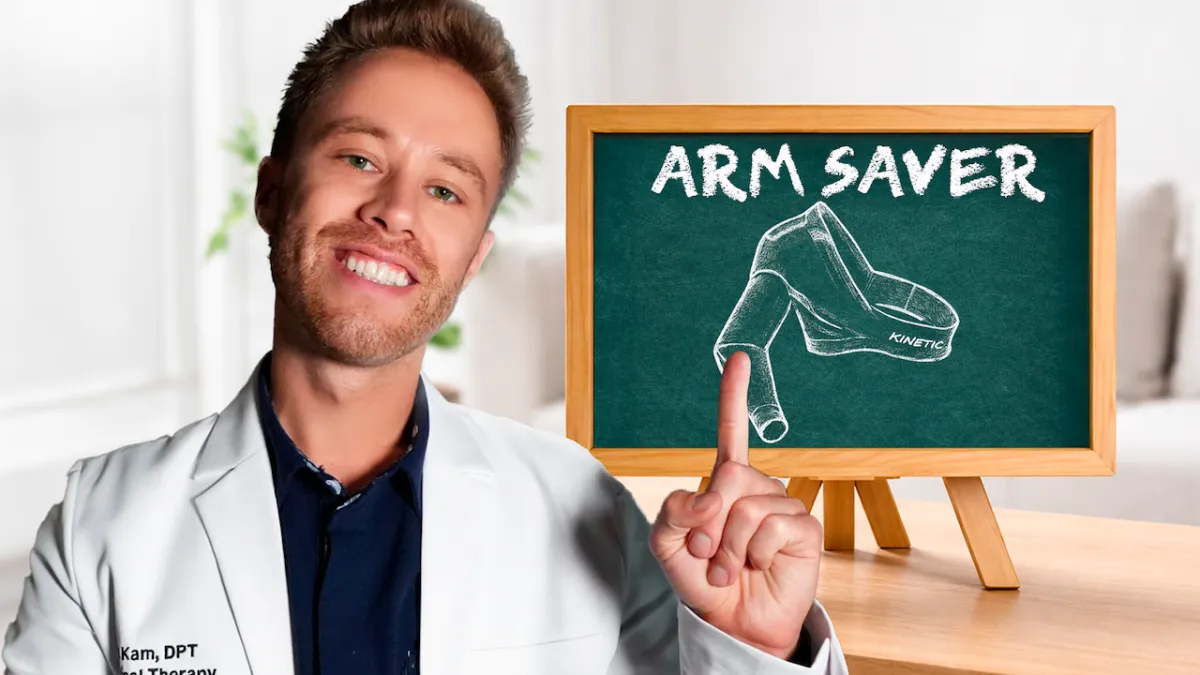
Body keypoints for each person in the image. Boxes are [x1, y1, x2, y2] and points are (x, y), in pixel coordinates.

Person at [2, 0, 848, 673]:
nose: (395, 212)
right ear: (272, 192)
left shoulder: (577, 507)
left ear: (474, 257)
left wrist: (759, 651)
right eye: (359, 159)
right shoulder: (101, 527)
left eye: (446, 190)